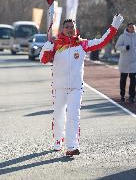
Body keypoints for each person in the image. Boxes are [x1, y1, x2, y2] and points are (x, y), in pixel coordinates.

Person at [39, 14, 123, 156]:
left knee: (74, 115)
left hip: (76, 87)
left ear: (75, 28)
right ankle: (58, 140)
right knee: (59, 115)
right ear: (63, 29)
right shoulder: (56, 44)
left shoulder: (82, 44)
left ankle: (72, 146)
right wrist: (46, 48)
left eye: (72, 27)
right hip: (59, 87)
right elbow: (43, 60)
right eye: (67, 27)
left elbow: (102, 42)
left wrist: (113, 28)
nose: (70, 29)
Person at [115, 23, 136, 104]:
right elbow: (117, 46)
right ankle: (122, 95)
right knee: (123, 80)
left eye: (133, 27)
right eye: (130, 27)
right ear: (127, 28)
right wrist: (124, 48)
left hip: (134, 62)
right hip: (124, 62)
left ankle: (132, 96)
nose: (132, 29)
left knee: (133, 80)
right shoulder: (122, 36)